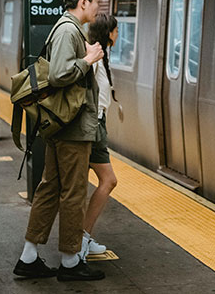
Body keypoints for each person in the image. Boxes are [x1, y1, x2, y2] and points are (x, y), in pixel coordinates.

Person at [13, 0, 106, 282]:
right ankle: (69, 261)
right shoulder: (69, 30)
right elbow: (59, 73)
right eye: (97, 1)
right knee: (73, 192)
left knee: (50, 188)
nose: (99, 6)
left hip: (61, 125)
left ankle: (28, 257)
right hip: (72, 127)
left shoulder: (65, 27)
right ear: (84, 3)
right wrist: (88, 59)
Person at [83, 14, 119, 255]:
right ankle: (82, 238)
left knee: (73, 186)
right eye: (116, 30)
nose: (118, 34)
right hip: (92, 126)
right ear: (108, 33)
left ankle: (78, 238)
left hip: (95, 124)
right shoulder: (95, 57)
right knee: (109, 180)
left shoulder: (101, 56)